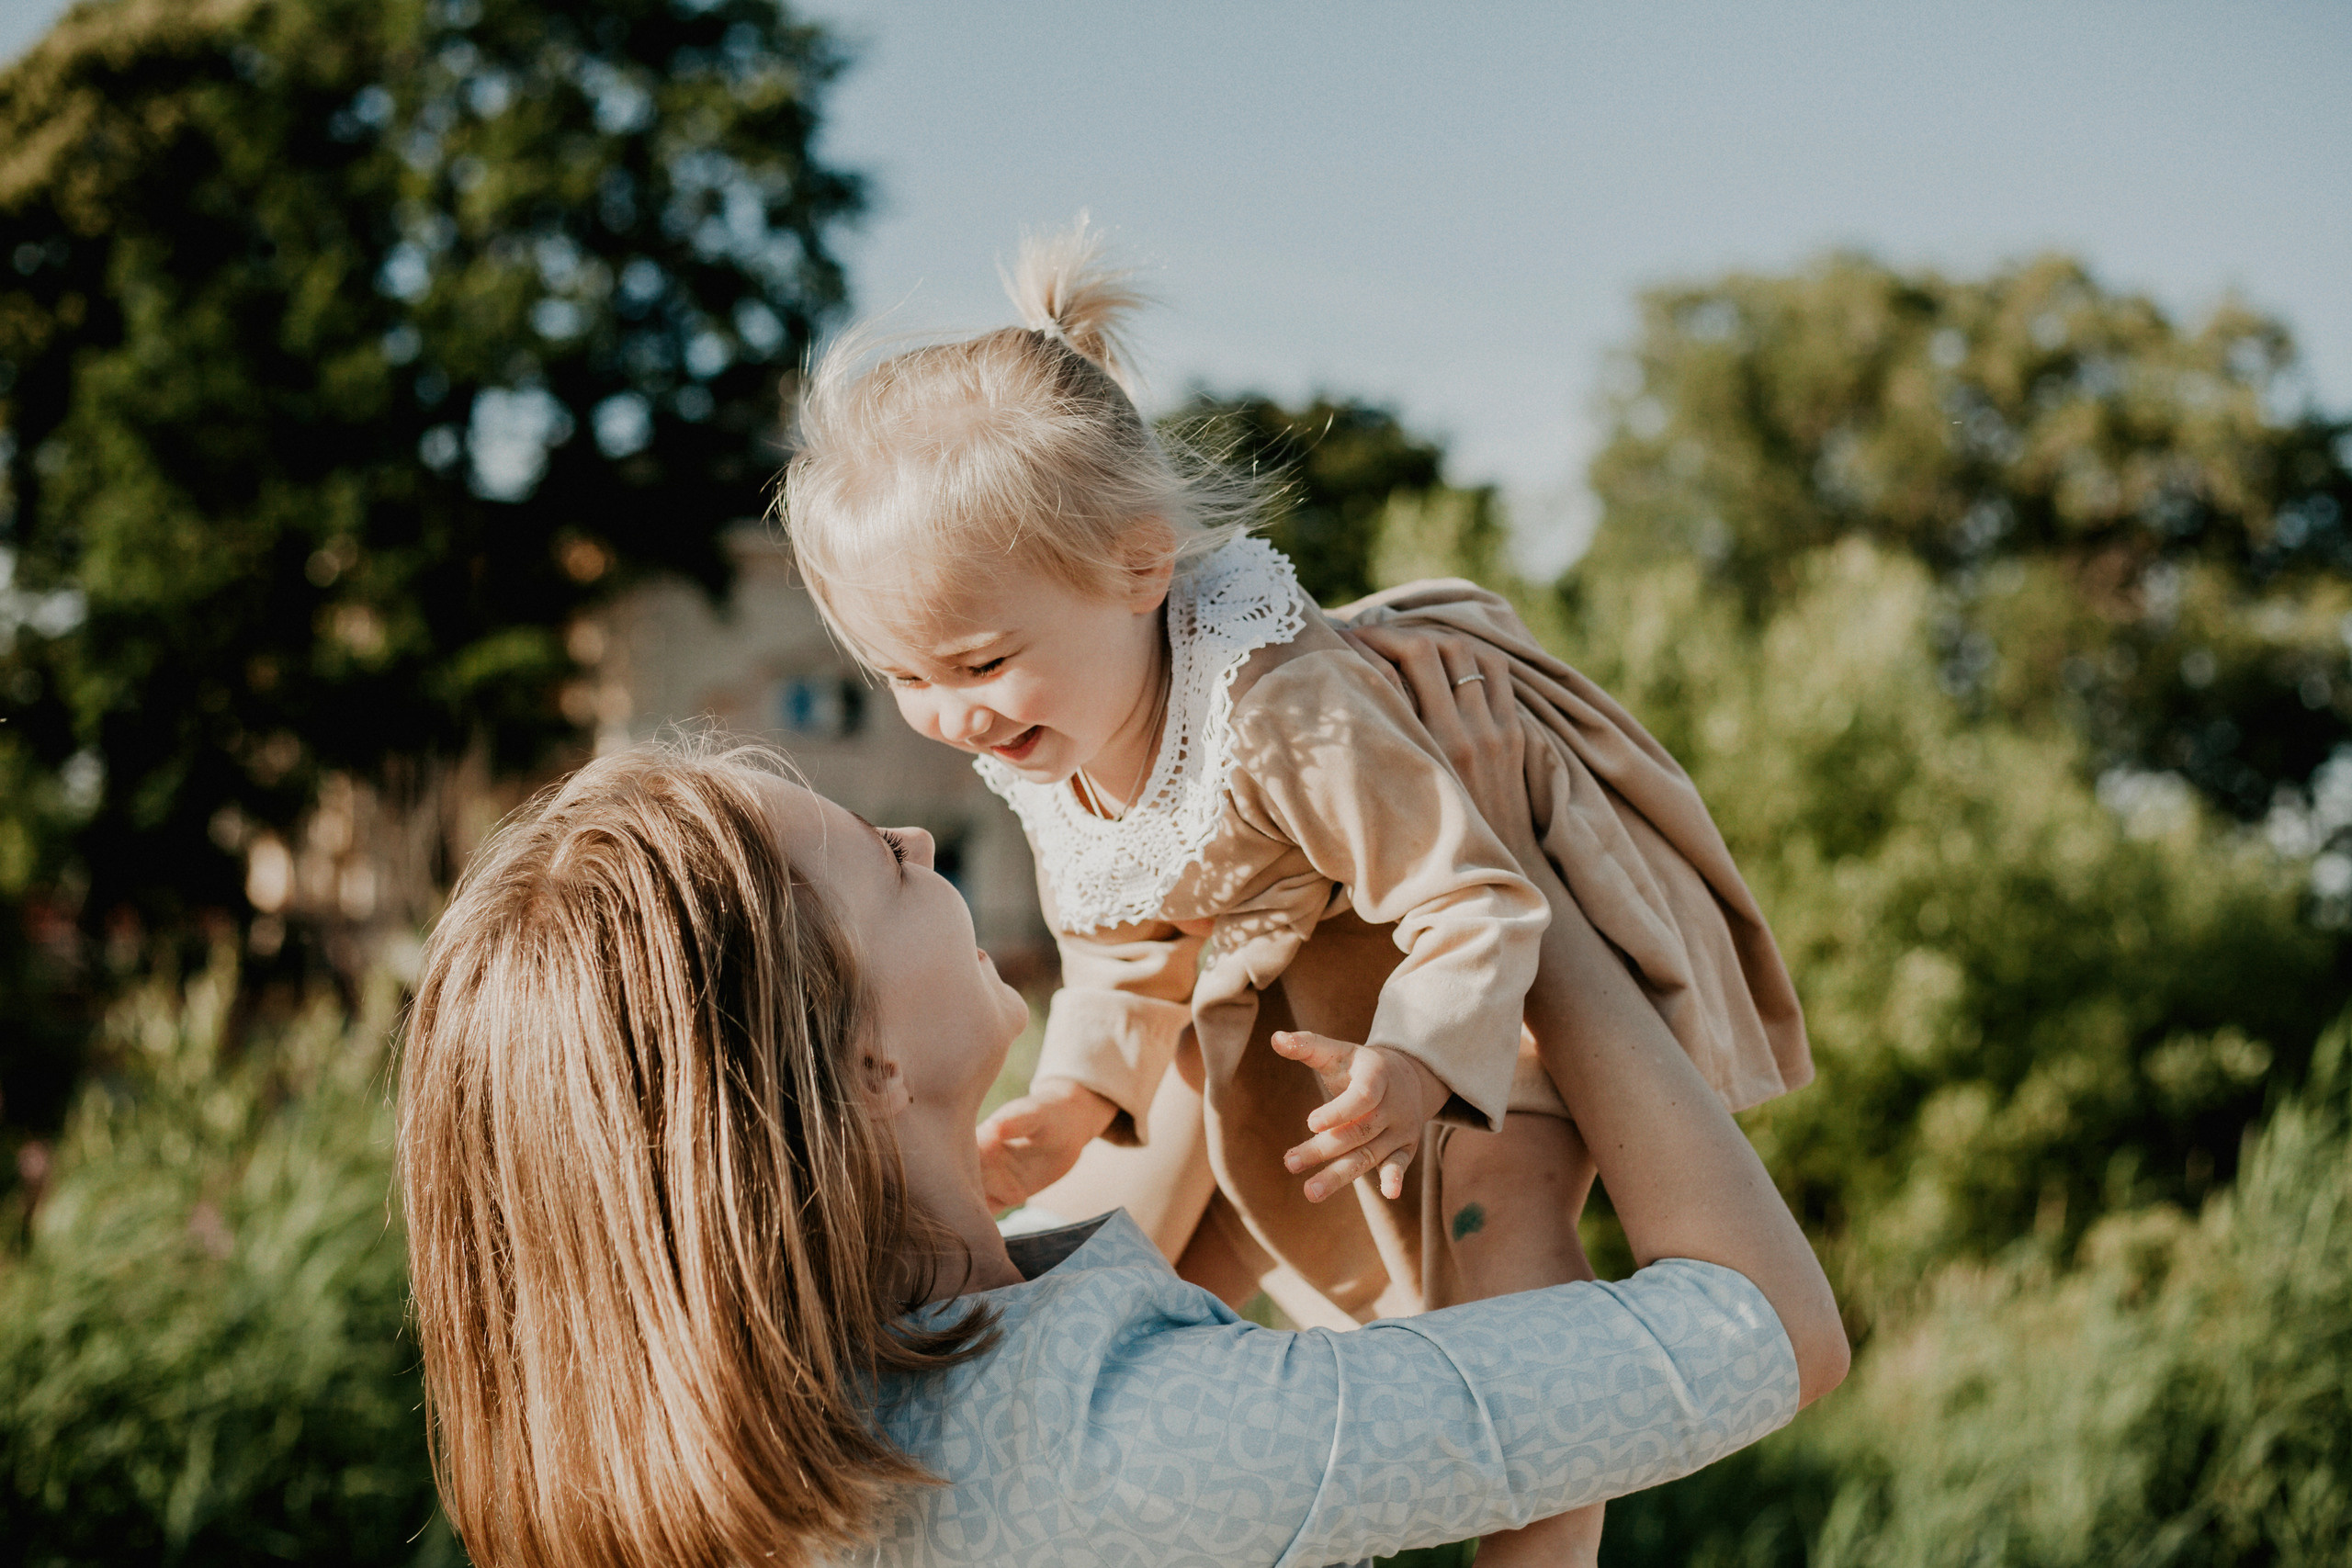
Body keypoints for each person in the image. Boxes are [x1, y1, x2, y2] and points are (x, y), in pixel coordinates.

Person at [776, 221, 1812, 1562]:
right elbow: (1119, 943)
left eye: (975, 663)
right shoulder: (1050, 732)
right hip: (1288, 966)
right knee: (1183, 1191)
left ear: (1142, 568)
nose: (950, 718)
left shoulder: (1284, 713)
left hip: (1465, 961)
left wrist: (1424, 1063)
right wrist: (1079, 1096)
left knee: (1497, 1226)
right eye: (904, 680)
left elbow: (1474, 899)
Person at [397, 720, 1848, 1568]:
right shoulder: (1127, 1448)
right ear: (866, 1062)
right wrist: (1505, 880)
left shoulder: (784, 1445)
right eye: (874, 855)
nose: (917, 837)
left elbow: (1200, 1094)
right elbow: (1766, 1329)